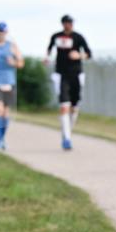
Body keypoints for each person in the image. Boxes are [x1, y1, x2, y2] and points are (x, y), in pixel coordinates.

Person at [46, 15, 92, 150]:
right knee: (64, 106)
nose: (68, 25)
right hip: (61, 75)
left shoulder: (78, 37)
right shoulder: (56, 36)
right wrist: (47, 58)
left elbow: (89, 53)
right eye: (66, 23)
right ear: (63, 24)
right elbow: (49, 49)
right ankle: (66, 137)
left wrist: (79, 55)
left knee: (74, 107)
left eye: (70, 23)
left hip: (76, 75)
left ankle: (68, 132)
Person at [0, 22, 24, 151]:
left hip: (9, 81)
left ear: (6, 33)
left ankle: (1, 138)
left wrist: (14, 62)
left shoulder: (12, 46)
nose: (1, 34)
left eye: (4, 32)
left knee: (6, 112)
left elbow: (21, 63)